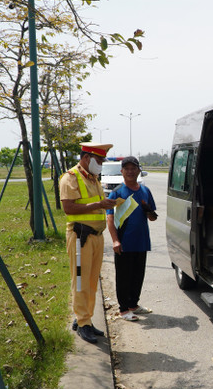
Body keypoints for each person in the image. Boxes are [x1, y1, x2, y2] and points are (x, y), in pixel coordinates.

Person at [60, 142, 118, 344]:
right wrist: (99, 204)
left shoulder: (93, 178)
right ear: (86, 158)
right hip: (80, 237)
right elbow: (69, 208)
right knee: (80, 280)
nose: (101, 164)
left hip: (96, 236)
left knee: (92, 281)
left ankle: (85, 318)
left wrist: (107, 203)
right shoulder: (71, 177)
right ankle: (83, 323)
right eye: (99, 160)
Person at [105, 156, 158, 322]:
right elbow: (110, 218)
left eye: (133, 168)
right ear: (122, 171)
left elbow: (153, 218)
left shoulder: (145, 191)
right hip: (123, 242)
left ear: (138, 170)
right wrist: (115, 240)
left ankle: (134, 305)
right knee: (123, 276)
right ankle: (123, 310)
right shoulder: (117, 192)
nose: (130, 171)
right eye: (126, 169)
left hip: (141, 241)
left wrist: (148, 210)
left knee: (138, 275)